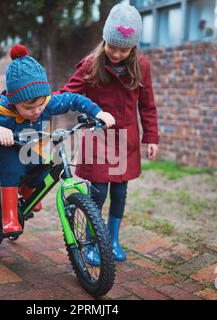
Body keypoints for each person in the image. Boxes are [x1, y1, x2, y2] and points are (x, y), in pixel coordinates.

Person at [0, 45, 115, 237]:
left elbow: (73, 99)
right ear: (14, 102)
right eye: (29, 108)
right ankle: (9, 215)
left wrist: (98, 112)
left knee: (44, 164)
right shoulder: (4, 112)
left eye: (40, 105)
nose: (37, 111)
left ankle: (28, 190)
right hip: (4, 149)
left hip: (28, 148)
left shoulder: (45, 102)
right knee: (13, 166)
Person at [59, 3, 160, 265]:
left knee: (120, 193)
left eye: (123, 49)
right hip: (98, 138)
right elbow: (68, 94)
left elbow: (147, 105)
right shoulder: (91, 65)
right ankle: (94, 240)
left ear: (133, 47)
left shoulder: (142, 68)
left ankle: (112, 240)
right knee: (98, 192)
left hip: (125, 140)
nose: (116, 53)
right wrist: (39, 105)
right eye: (112, 46)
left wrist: (151, 137)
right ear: (104, 40)